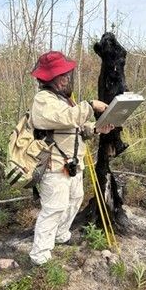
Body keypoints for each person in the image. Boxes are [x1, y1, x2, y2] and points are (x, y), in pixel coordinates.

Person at [26, 51, 112, 265]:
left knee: (74, 200)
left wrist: (97, 128)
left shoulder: (65, 100)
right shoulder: (43, 100)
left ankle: (59, 234)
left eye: (67, 74)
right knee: (54, 208)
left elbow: (76, 128)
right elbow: (63, 118)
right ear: (49, 79)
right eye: (61, 75)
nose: (66, 79)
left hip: (73, 164)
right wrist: (90, 105)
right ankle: (40, 255)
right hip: (54, 166)